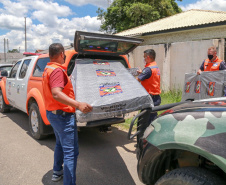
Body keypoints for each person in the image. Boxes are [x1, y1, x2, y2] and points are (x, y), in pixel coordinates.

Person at [42, 43, 92, 185]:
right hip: (63, 116)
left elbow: (58, 89)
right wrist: (78, 104)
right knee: (71, 153)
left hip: (53, 114)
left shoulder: (49, 68)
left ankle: (57, 172)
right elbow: (56, 93)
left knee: (59, 144)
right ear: (62, 54)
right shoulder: (57, 71)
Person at [136, 49, 161, 146]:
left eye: (144, 57)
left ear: (148, 57)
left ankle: (143, 143)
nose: (143, 59)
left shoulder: (148, 69)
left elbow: (138, 80)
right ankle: (152, 141)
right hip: (156, 97)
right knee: (153, 119)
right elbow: (149, 77)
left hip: (149, 98)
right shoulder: (155, 67)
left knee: (144, 121)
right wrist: (142, 73)